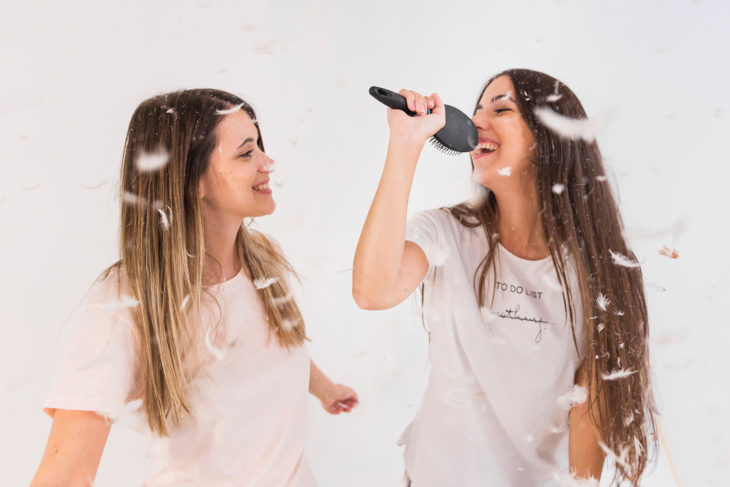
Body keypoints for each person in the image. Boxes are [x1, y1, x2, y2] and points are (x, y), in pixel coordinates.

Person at [31, 89, 358, 487]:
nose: (267, 163)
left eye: (261, 147)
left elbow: (272, 345)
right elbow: (64, 474)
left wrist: (324, 389)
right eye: (245, 153)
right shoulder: (126, 302)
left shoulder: (264, 259)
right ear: (190, 180)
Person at [352, 69, 655, 487]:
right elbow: (372, 291)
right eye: (477, 110)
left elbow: (590, 406)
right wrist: (405, 145)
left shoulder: (601, 270)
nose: (477, 122)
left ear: (551, 137)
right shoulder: (446, 232)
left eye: (501, 109)